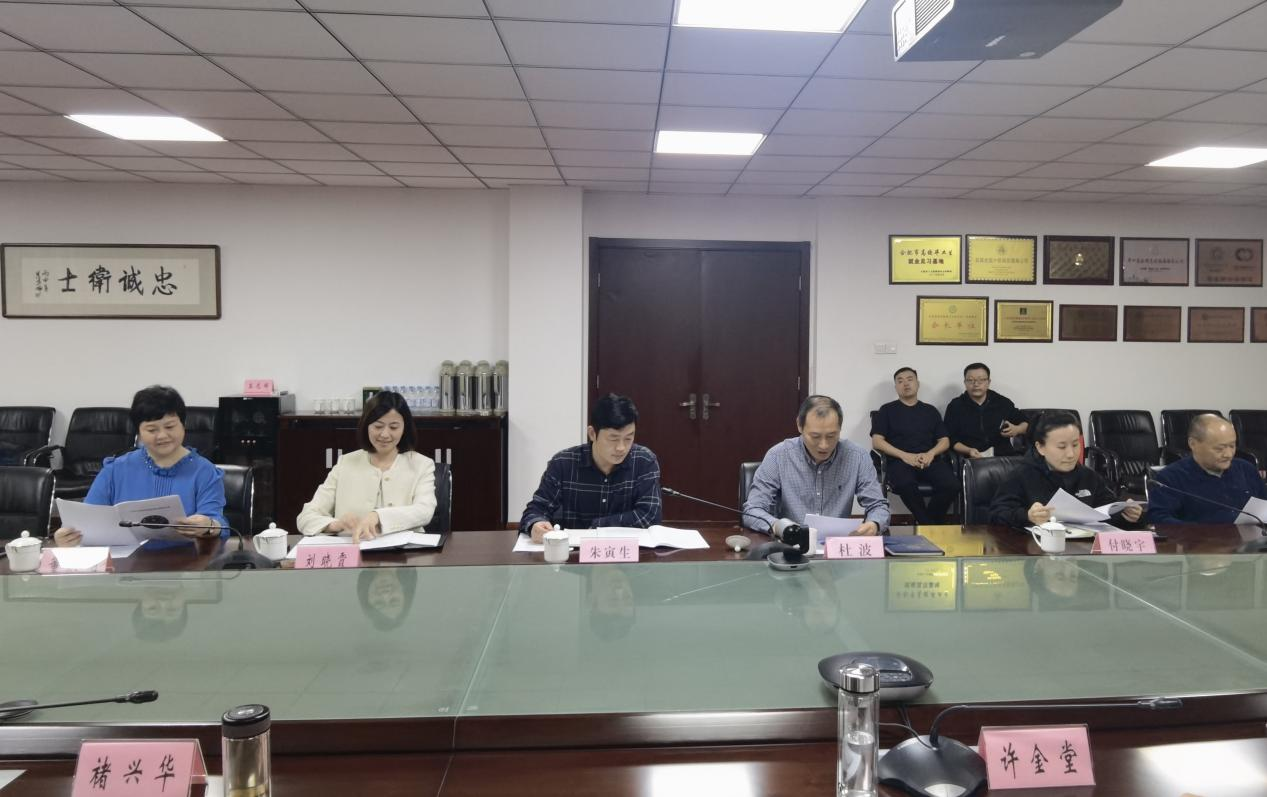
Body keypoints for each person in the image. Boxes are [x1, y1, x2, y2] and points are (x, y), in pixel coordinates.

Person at [54, 385, 226, 547]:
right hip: (123, 563)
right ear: (139, 433)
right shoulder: (116, 469)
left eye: (170, 426)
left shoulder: (204, 471)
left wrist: (209, 525)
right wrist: (68, 536)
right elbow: (87, 518)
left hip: (187, 561)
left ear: (183, 425)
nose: (162, 435)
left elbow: (218, 524)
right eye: (152, 430)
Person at [520, 394, 662, 542]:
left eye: (628, 438)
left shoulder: (644, 461)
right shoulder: (563, 463)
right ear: (592, 433)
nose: (621, 448)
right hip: (573, 552)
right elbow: (537, 509)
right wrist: (535, 524)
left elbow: (650, 515)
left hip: (626, 551)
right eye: (613, 439)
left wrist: (598, 527)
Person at [297, 390, 436, 541]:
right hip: (354, 550)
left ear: (404, 429)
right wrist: (336, 524)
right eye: (378, 426)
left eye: (394, 427)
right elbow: (306, 517)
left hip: (405, 552)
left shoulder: (422, 465)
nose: (385, 434)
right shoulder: (345, 463)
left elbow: (424, 511)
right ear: (366, 426)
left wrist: (378, 516)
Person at [744, 395, 889, 536]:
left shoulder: (857, 456)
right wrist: (779, 527)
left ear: (840, 428)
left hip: (836, 544)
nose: (824, 445)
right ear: (799, 426)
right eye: (815, 436)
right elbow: (752, 510)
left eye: (831, 436)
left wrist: (874, 524)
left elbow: (878, 505)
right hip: (791, 544)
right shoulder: (778, 456)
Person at [989, 411, 1144, 528]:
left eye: (1075, 445)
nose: (1071, 454)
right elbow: (996, 516)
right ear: (1040, 447)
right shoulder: (1021, 475)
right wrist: (1027, 516)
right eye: (1061, 447)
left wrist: (1128, 515)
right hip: (1036, 553)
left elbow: (1108, 510)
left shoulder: (1089, 476)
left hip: (1082, 552)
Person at [870, 368, 958, 524]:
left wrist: (931, 454)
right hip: (899, 461)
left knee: (952, 485)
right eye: (900, 381)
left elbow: (944, 440)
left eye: (910, 379)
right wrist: (905, 456)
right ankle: (929, 525)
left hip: (929, 459)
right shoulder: (887, 410)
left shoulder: (930, 411)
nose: (905, 384)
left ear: (918, 384)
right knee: (905, 484)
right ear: (896, 387)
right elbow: (877, 441)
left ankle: (924, 522)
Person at [1149, 414, 1267, 524]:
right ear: (1193, 444)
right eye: (1219, 448)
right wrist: (1197, 533)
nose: (1228, 454)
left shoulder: (1246, 469)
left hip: (1253, 538)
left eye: (1232, 446)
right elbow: (1159, 519)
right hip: (1200, 539)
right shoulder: (1171, 478)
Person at [943, 362, 1029, 459]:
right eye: (970, 380)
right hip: (971, 458)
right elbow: (949, 438)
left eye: (981, 380)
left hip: (1003, 457)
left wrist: (1017, 429)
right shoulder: (955, 406)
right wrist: (969, 450)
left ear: (988, 382)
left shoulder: (1002, 402)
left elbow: (1026, 423)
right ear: (965, 383)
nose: (976, 384)